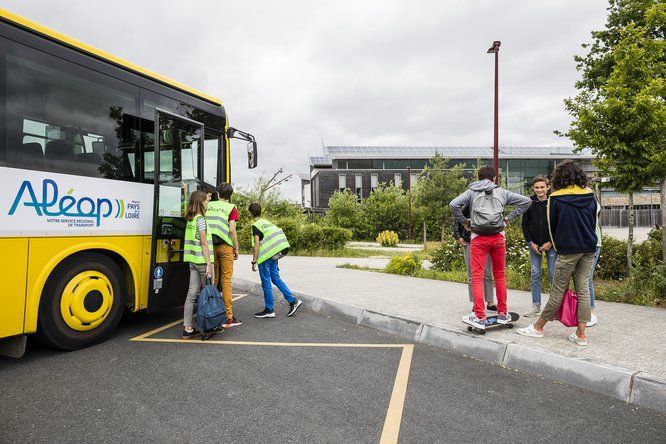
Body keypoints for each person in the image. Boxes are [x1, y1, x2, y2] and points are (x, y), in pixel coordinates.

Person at [516, 160, 597, 346]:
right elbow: (593, 222)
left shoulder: (557, 197)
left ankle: (537, 328)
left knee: (557, 290)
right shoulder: (590, 194)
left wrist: (558, 247)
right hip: (589, 248)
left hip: (568, 250)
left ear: (560, 176)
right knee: (583, 290)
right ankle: (581, 334)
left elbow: (553, 227)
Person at [450, 166, 531, 329]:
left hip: (479, 238)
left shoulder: (471, 192)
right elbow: (526, 201)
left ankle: (480, 315)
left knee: (477, 277)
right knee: (500, 275)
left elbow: (453, 205)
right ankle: (502, 313)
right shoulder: (502, 192)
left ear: (479, 178)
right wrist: (508, 218)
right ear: (494, 178)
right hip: (498, 237)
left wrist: (465, 222)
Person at [249, 203, 302, 318]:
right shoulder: (267, 223)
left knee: (266, 282)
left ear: (251, 214)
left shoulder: (256, 225)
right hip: (275, 254)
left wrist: (254, 261)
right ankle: (293, 301)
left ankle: (269, 309)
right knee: (276, 279)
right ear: (260, 212)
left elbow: (256, 245)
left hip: (265, 257)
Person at [206, 183, 241, 328]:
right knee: (226, 281)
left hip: (210, 246)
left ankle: (211, 311)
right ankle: (228, 316)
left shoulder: (209, 205)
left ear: (218, 194)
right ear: (230, 195)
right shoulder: (231, 208)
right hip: (225, 246)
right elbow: (232, 230)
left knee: (214, 279)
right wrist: (236, 248)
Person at [521, 175, 557, 317]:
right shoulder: (529, 203)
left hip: (551, 244)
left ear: (548, 187)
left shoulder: (553, 202)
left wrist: (550, 242)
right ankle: (536, 306)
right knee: (535, 274)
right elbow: (525, 225)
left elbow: (558, 225)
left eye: (542, 187)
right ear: (533, 188)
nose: (539, 190)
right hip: (534, 245)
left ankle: (554, 308)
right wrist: (530, 242)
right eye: (537, 187)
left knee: (553, 274)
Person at [182, 190, 214, 339]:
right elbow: (203, 242)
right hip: (202, 262)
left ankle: (187, 328)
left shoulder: (189, 219)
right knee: (209, 294)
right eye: (206, 200)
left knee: (191, 294)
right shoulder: (200, 219)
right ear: (200, 202)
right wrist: (209, 264)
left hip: (192, 261)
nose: (207, 202)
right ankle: (209, 325)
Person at [452, 210, 496, 311]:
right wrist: (458, 236)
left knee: (488, 273)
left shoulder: (487, 201)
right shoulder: (467, 201)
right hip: (469, 241)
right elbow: (457, 218)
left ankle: (490, 302)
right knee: (472, 274)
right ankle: (476, 303)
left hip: (486, 240)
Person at [587, 197, 602, 327]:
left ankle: (591, 313)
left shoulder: (591, 200)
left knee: (587, 279)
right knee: (582, 280)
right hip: (582, 244)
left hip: (593, 244)